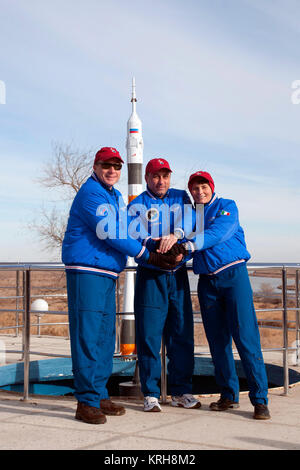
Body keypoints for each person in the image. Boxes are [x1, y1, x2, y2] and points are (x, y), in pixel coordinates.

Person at [62, 147, 180, 424]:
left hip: (107, 272)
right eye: (107, 165)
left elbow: (130, 227)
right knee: (88, 337)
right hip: (87, 270)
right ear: (96, 165)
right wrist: (147, 255)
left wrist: (154, 243)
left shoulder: (113, 196)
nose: (112, 170)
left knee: (104, 338)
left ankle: (99, 394)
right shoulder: (91, 193)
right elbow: (111, 232)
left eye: (117, 166)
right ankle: (86, 402)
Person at [173, 170, 270, 420]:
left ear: (211, 187)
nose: (199, 192)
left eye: (203, 187)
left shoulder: (227, 207)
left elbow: (218, 234)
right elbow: (188, 247)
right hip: (207, 284)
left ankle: (260, 400)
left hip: (233, 277)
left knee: (246, 339)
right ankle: (228, 395)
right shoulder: (193, 215)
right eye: (195, 188)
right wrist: (173, 252)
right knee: (218, 343)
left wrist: (190, 244)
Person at [128, 158, 201, 412]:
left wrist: (176, 238)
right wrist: (154, 244)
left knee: (181, 333)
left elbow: (194, 221)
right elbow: (133, 231)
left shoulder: (181, 197)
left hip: (178, 275)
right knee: (149, 335)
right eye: (156, 176)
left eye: (165, 176)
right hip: (151, 275)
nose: (161, 181)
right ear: (147, 178)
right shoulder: (137, 203)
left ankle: (182, 390)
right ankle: (150, 393)